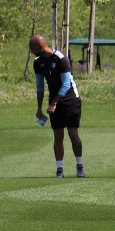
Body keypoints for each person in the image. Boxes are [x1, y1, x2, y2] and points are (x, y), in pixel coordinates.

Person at [29, 34, 85, 178]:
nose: (31, 51)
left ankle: (79, 165)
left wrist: (54, 103)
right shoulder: (38, 62)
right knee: (58, 135)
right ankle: (59, 169)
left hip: (71, 100)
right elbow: (40, 86)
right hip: (54, 101)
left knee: (73, 134)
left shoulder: (61, 59)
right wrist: (39, 107)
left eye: (32, 48)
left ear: (40, 47)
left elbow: (66, 84)